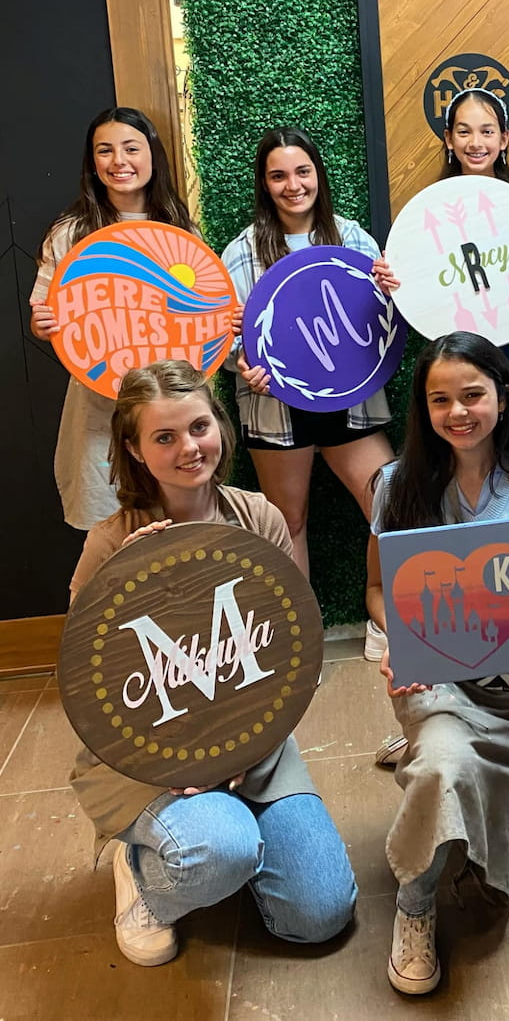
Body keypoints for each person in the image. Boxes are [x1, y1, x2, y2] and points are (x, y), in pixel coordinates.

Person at [68, 360, 356, 967]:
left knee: (321, 914)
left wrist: (243, 752)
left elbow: (291, 653)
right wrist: (123, 583)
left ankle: (230, 850)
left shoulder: (259, 518)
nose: (188, 448)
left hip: (254, 747)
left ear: (219, 425)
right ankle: (147, 876)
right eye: (164, 437)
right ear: (135, 449)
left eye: (198, 427)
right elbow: (88, 681)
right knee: (221, 847)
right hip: (147, 761)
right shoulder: (111, 541)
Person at [365, 332, 509, 994]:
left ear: (502, 397)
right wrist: (403, 641)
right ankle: (414, 903)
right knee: (444, 764)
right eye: (439, 399)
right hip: (433, 673)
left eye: (472, 395)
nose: (457, 412)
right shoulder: (396, 484)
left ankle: (434, 754)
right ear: (423, 407)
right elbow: (376, 589)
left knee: (495, 850)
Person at [221, 126, 395, 658]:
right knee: (287, 522)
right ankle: (301, 641)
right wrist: (241, 364)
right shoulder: (241, 252)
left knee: (390, 502)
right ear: (264, 183)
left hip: (351, 401)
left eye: (302, 171)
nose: (293, 185)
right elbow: (226, 338)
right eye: (278, 176)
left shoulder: (354, 239)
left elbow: (383, 321)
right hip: (273, 407)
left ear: (318, 174)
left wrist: (392, 291)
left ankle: (387, 620)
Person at [29, 107, 196, 530]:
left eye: (131, 148)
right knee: (110, 531)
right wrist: (43, 325)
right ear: (92, 162)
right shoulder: (71, 233)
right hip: (99, 406)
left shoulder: (179, 229)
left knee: (177, 528)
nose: (119, 161)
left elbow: (202, 313)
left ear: (152, 155)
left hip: (171, 408)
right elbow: (43, 316)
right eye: (105, 150)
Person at [374, 86, 509, 419]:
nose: (476, 142)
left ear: (504, 139)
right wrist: (394, 284)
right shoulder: (425, 213)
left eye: (487, 132)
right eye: (464, 132)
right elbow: (418, 289)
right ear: (449, 139)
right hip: (450, 351)